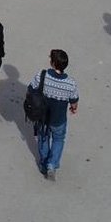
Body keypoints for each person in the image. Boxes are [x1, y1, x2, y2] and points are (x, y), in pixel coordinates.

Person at [29, 49, 80, 181]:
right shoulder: (70, 83)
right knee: (58, 139)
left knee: (43, 138)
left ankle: (44, 164)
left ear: (52, 63)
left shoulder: (42, 76)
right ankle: (53, 164)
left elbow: (31, 89)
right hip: (59, 119)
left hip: (43, 117)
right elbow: (74, 100)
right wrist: (74, 108)